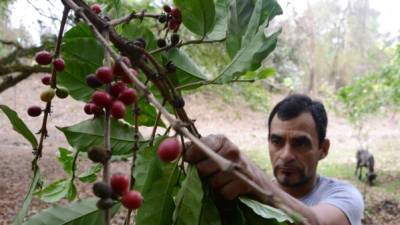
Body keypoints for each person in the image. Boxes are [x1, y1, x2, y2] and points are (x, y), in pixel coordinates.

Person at [185, 94, 364, 225]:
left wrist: (254, 178)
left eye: (300, 144)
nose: (286, 155)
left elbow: (314, 222)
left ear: (323, 150)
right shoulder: (247, 197)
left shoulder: (345, 196)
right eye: (277, 142)